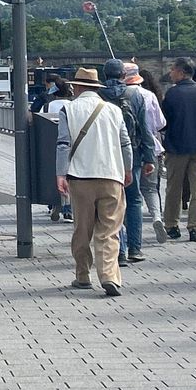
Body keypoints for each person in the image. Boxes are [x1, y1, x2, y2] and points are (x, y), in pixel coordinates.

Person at [55, 67, 132, 296]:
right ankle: (109, 276)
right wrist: (127, 169)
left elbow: (63, 144)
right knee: (109, 230)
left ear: (76, 87)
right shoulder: (113, 110)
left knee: (82, 229)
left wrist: (61, 173)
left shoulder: (68, 109)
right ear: (96, 87)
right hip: (111, 176)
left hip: (80, 178)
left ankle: (82, 275)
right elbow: (125, 143)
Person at [101, 59, 156, 266]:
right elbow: (145, 128)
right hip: (132, 154)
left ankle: (119, 251)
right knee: (133, 200)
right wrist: (149, 157)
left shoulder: (98, 95)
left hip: (105, 155)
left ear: (105, 75)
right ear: (123, 75)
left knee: (112, 203)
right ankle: (135, 248)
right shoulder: (136, 95)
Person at [156, 57, 196, 242]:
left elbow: (164, 122)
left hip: (177, 146)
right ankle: (195, 227)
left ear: (181, 72)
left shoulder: (172, 94)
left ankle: (172, 225)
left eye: (172, 70)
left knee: (174, 188)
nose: (170, 73)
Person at [128, 65, 166, 224]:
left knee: (131, 191)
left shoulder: (123, 95)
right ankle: (157, 216)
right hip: (152, 145)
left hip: (129, 147)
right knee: (150, 188)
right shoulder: (150, 95)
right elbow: (160, 123)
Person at [35, 77, 75, 221]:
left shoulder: (47, 106)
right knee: (70, 176)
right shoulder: (73, 106)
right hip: (71, 146)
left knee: (54, 176)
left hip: (49, 146)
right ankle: (68, 209)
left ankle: (54, 204)